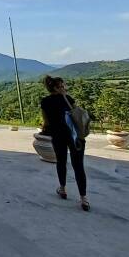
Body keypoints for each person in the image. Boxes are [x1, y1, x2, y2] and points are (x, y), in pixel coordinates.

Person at [40, 75, 89, 211]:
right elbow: (78, 116)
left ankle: (62, 188)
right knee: (78, 166)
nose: (64, 88)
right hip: (75, 137)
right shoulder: (68, 99)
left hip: (58, 136)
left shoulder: (45, 102)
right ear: (56, 88)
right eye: (62, 86)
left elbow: (46, 122)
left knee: (61, 161)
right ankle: (83, 198)